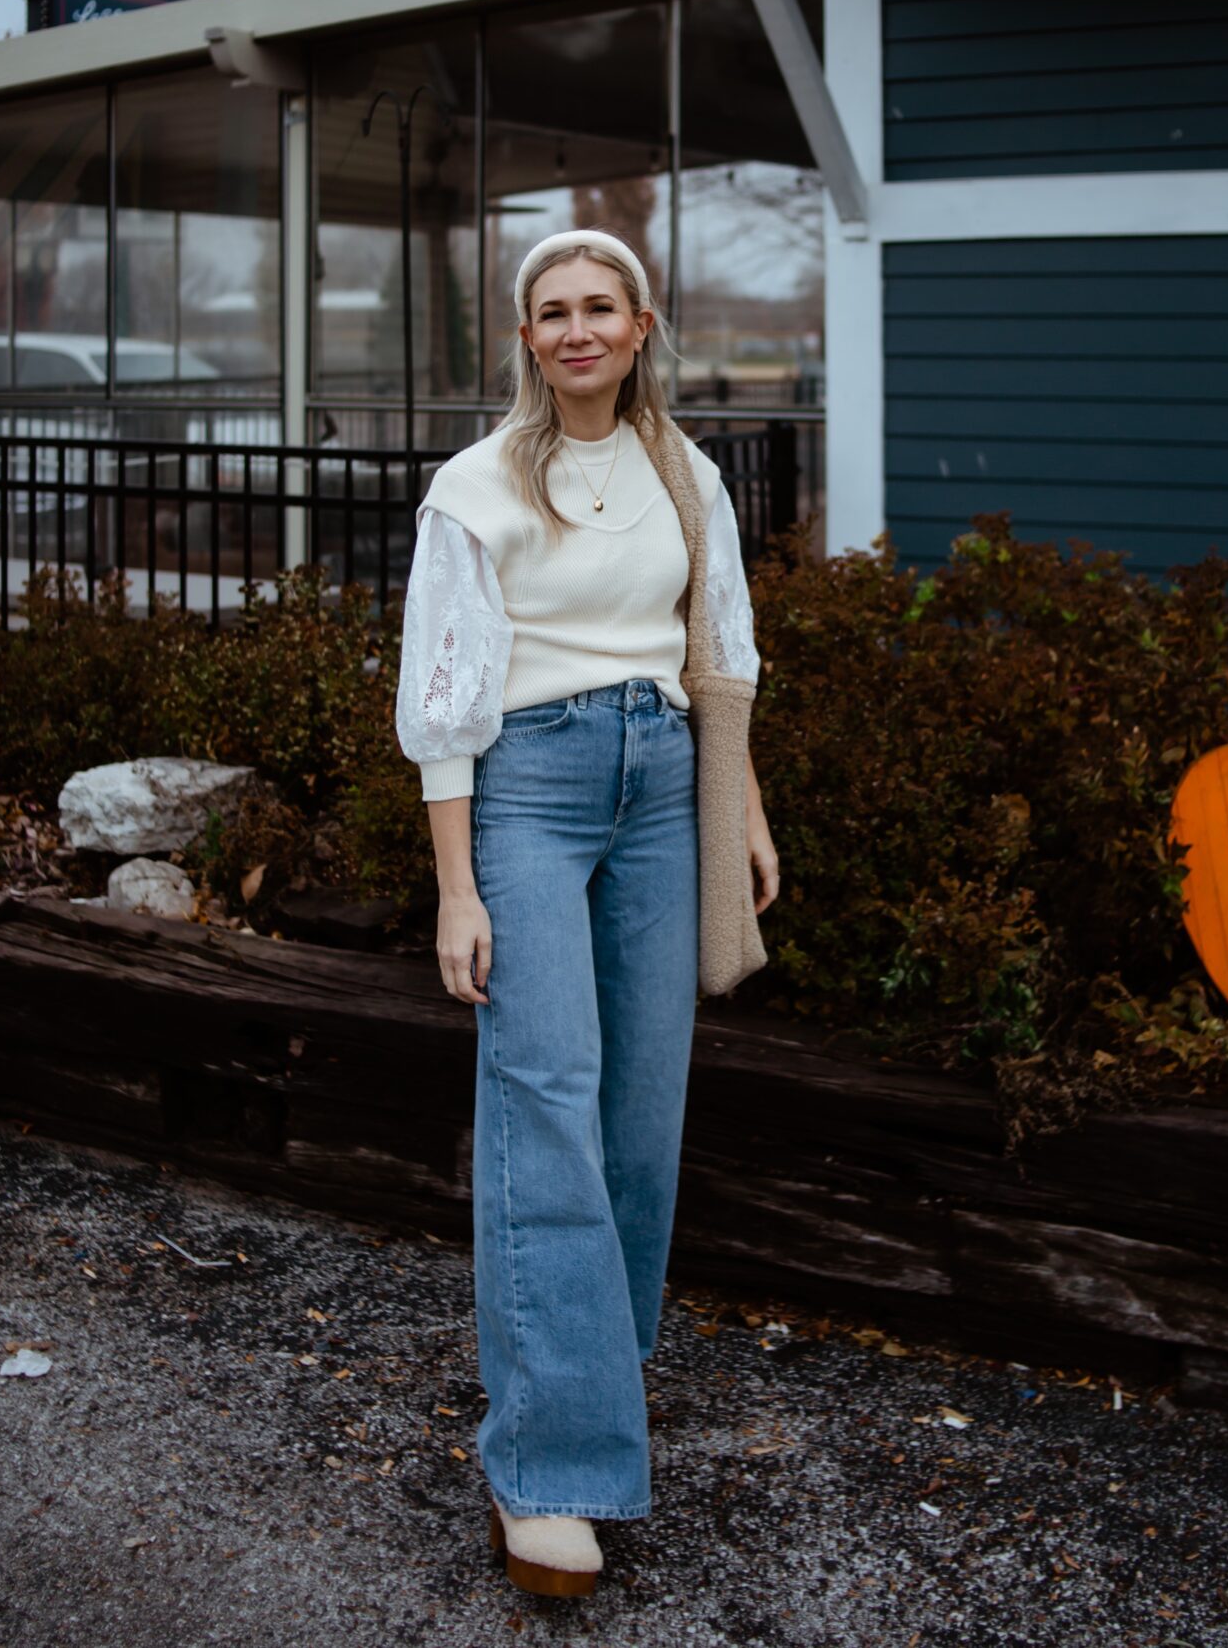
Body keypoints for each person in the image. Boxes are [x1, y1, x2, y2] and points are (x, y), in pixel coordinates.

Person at [394, 226, 780, 1598]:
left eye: (596, 308)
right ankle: (547, 1467)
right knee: (545, 1087)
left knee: (640, 1107)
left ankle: (594, 1378)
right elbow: (442, 704)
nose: (573, 330)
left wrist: (744, 816)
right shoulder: (479, 484)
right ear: (525, 339)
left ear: (639, 325)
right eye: (548, 312)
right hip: (529, 796)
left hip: (665, 784)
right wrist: (455, 885)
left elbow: (717, 648)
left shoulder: (687, 474)